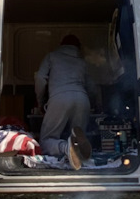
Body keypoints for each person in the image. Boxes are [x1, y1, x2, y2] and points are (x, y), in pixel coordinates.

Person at [34, 34, 97, 168]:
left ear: (61, 45)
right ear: (78, 47)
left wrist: (40, 101)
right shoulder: (82, 62)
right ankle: (78, 156)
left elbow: (40, 78)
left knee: (46, 139)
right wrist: (96, 104)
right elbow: (92, 86)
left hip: (60, 97)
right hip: (82, 98)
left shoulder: (52, 56)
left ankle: (64, 147)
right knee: (78, 134)